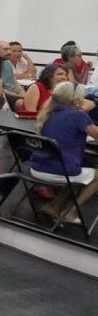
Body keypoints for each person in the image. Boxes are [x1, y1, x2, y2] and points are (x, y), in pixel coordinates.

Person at [31, 81, 98, 225]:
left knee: (76, 170)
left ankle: (53, 206)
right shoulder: (79, 117)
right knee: (92, 175)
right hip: (60, 170)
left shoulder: (47, 113)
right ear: (77, 100)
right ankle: (71, 212)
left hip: (36, 168)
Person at [0, 40, 26, 107]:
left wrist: (23, 94)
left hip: (14, 93)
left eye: (9, 49)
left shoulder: (8, 62)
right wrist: (20, 96)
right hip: (3, 95)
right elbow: (0, 89)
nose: (9, 52)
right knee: (22, 103)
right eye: (5, 49)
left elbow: (14, 82)